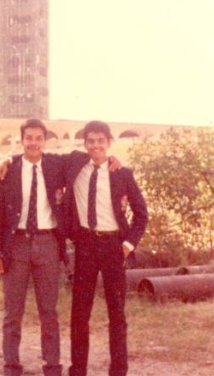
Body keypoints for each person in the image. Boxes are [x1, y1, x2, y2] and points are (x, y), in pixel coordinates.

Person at [65, 121, 148, 376]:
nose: (96, 145)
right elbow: (39, 155)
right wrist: (7, 161)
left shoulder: (122, 173)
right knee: (80, 313)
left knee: (117, 313)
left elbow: (142, 214)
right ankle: (78, 370)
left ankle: (118, 371)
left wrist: (127, 244)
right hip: (86, 245)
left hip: (114, 246)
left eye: (101, 141)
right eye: (91, 141)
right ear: (85, 144)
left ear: (109, 143)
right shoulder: (75, 166)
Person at [0, 118, 66, 376]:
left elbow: (83, 157)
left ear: (45, 141)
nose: (33, 142)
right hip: (16, 245)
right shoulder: (9, 170)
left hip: (48, 244)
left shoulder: (55, 165)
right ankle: (11, 366)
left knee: (49, 310)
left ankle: (52, 367)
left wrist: (114, 161)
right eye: (29, 137)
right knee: (13, 311)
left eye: (38, 138)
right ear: (22, 140)